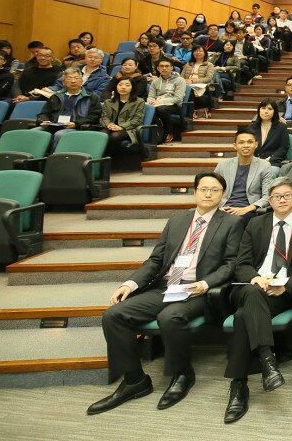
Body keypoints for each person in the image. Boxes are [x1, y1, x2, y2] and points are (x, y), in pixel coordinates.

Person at [86, 172, 241, 416]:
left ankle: (182, 373)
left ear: (223, 195)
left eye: (214, 190)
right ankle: (135, 380)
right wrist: (130, 283)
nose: (208, 194)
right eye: (203, 189)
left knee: (169, 317)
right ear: (195, 192)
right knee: (113, 315)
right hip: (167, 286)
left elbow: (231, 263)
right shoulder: (177, 221)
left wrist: (204, 284)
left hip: (196, 291)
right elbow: (156, 260)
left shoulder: (231, 223)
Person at [223, 177, 292, 424]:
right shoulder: (256, 224)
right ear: (269, 199)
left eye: (287, 195)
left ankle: (239, 386)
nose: (283, 200)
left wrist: (287, 286)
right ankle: (268, 361)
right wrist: (255, 278)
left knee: (242, 316)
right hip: (250, 286)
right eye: (277, 196)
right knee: (253, 294)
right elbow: (241, 264)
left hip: (281, 292)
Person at [36, 68, 103, 151]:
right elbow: (44, 113)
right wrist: (44, 120)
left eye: (76, 78)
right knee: (36, 131)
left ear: (82, 81)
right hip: (54, 125)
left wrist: (76, 123)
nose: (73, 81)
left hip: (77, 127)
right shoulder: (56, 96)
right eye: (69, 78)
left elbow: (95, 116)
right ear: (63, 82)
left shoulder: (91, 97)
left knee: (59, 135)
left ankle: (52, 159)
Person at [216, 128, 275, 223]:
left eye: (250, 142)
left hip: (249, 210)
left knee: (236, 221)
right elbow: (214, 190)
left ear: (256, 144)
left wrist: (246, 209)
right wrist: (217, 208)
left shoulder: (264, 166)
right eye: (241, 142)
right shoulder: (223, 165)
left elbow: (267, 196)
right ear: (235, 146)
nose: (246, 146)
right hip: (224, 208)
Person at [101, 78, 147, 153]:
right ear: (116, 87)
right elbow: (104, 118)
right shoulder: (108, 102)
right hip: (110, 127)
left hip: (129, 129)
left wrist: (121, 126)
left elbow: (137, 120)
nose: (123, 87)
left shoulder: (139, 102)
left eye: (127, 85)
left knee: (114, 136)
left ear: (132, 88)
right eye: (120, 85)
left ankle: (111, 159)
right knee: (102, 135)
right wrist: (109, 124)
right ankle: (102, 159)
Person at [147, 60, 187, 142]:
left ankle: (169, 132)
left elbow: (178, 98)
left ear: (172, 68)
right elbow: (150, 96)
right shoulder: (155, 82)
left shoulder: (180, 80)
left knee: (161, 109)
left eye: (167, 66)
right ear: (158, 68)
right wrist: (151, 101)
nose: (164, 68)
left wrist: (160, 102)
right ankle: (154, 134)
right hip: (157, 104)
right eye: (161, 66)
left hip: (174, 106)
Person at [250, 100, 288, 169]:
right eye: (263, 108)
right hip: (254, 163)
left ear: (275, 111)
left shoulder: (282, 127)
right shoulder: (252, 127)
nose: (266, 111)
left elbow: (283, 148)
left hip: (272, 163)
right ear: (259, 110)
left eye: (270, 109)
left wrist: (269, 160)